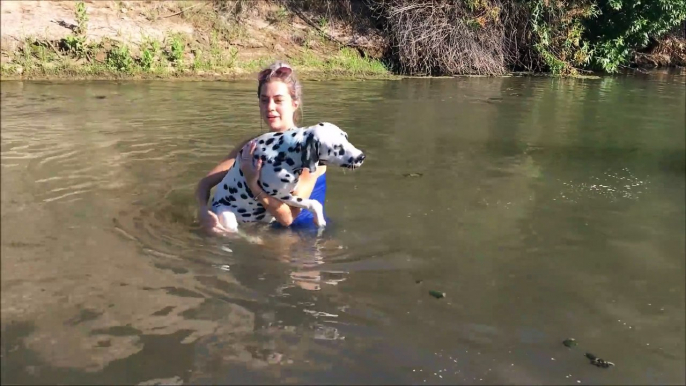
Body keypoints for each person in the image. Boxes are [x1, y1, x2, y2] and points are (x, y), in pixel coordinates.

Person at [195, 61, 328, 235]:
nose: (270, 107)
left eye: (278, 100)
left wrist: (253, 184)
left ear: (294, 104)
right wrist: (203, 212)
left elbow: (287, 218)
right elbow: (204, 184)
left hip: (305, 234)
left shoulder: (310, 152)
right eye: (264, 100)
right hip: (266, 230)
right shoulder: (251, 146)